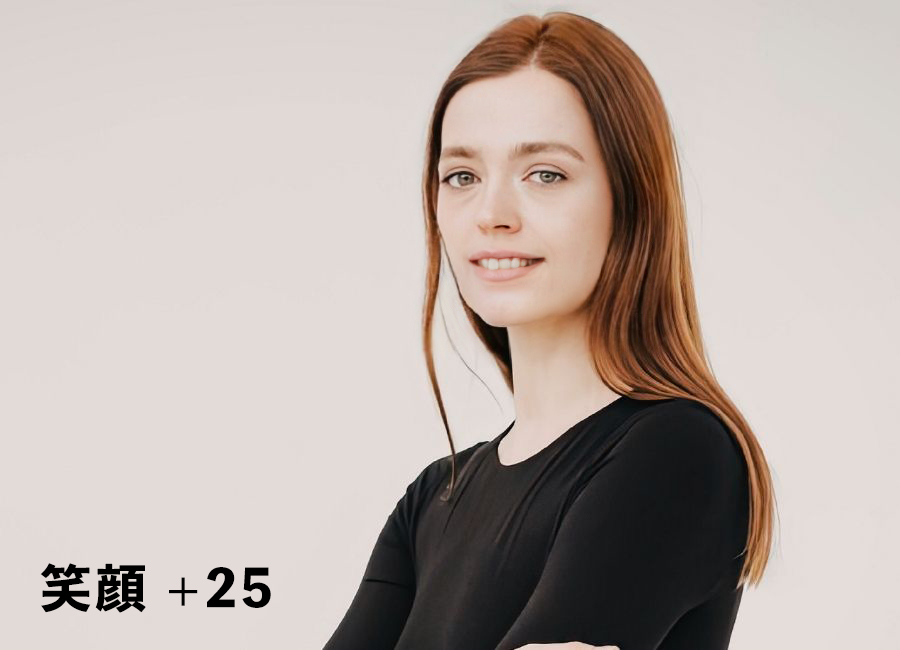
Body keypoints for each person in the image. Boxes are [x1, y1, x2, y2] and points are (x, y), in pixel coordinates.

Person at [324, 11, 776, 650]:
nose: (491, 213)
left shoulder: (679, 451)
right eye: (462, 176)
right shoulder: (434, 497)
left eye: (545, 174)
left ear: (632, 200)